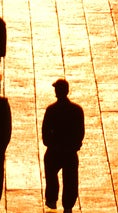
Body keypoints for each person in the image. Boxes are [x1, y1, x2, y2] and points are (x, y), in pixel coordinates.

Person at [42, 78, 84, 212]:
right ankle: (68, 205)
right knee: (71, 180)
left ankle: (52, 198)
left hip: (54, 150)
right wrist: (75, 145)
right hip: (70, 151)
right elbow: (80, 132)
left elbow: (45, 131)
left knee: (51, 172)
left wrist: (49, 143)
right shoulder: (77, 110)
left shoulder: (51, 110)